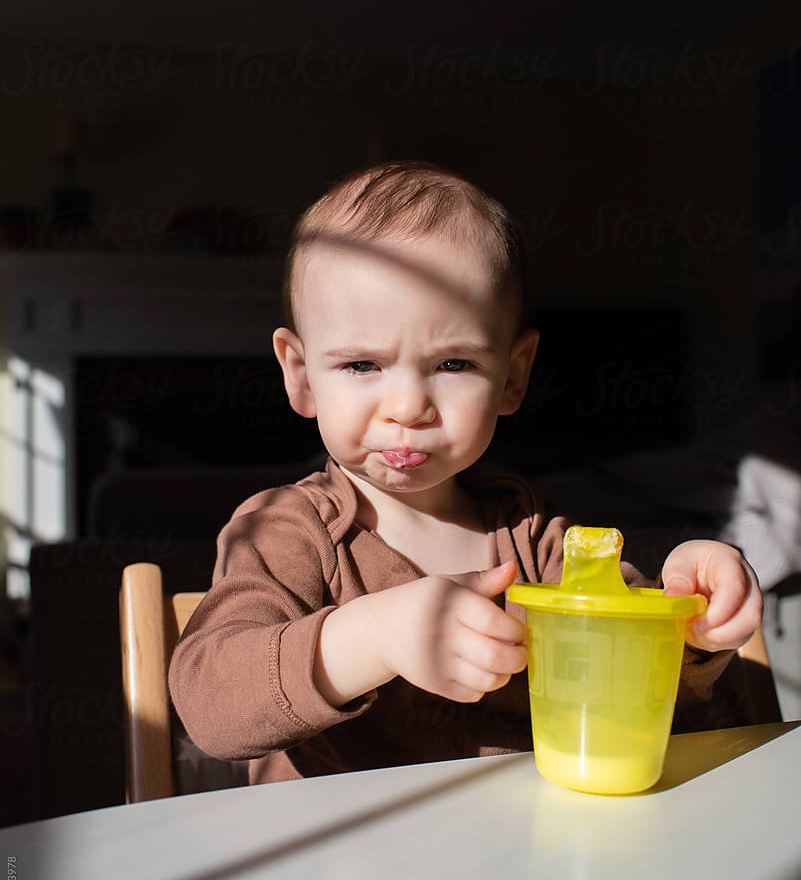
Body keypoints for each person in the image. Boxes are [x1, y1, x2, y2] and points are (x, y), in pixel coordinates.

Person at [169, 161, 762, 785]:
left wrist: (691, 620)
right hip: (336, 864)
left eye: (453, 363)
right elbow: (211, 704)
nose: (407, 408)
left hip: (517, 853)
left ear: (512, 375)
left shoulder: (532, 537)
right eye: (362, 366)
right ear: (299, 373)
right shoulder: (286, 531)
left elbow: (641, 678)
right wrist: (376, 636)